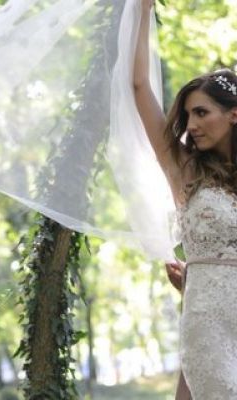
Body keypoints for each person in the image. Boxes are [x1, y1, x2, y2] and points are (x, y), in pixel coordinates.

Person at [135, 1, 237, 398]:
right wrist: (142, 10)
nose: (190, 125)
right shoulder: (186, 170)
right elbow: (140, 86)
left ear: (233, 115)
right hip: (208, 327)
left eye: (201, 113)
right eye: (188, 115)